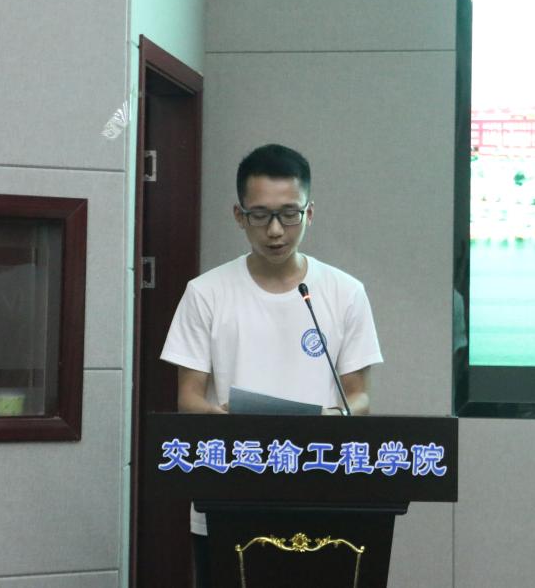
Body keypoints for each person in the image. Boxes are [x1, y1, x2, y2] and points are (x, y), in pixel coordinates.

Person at [160, 143, 384, 587]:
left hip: (321, 489)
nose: (276, 231)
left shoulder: (345, 293)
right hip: (230, 492)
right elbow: (188, 399)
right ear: (239, 215)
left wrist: (332, 418)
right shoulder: (206, 293)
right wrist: (231, 422)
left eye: (289, 214)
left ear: (310, 213)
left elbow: (358, 396)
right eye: (260, 215)